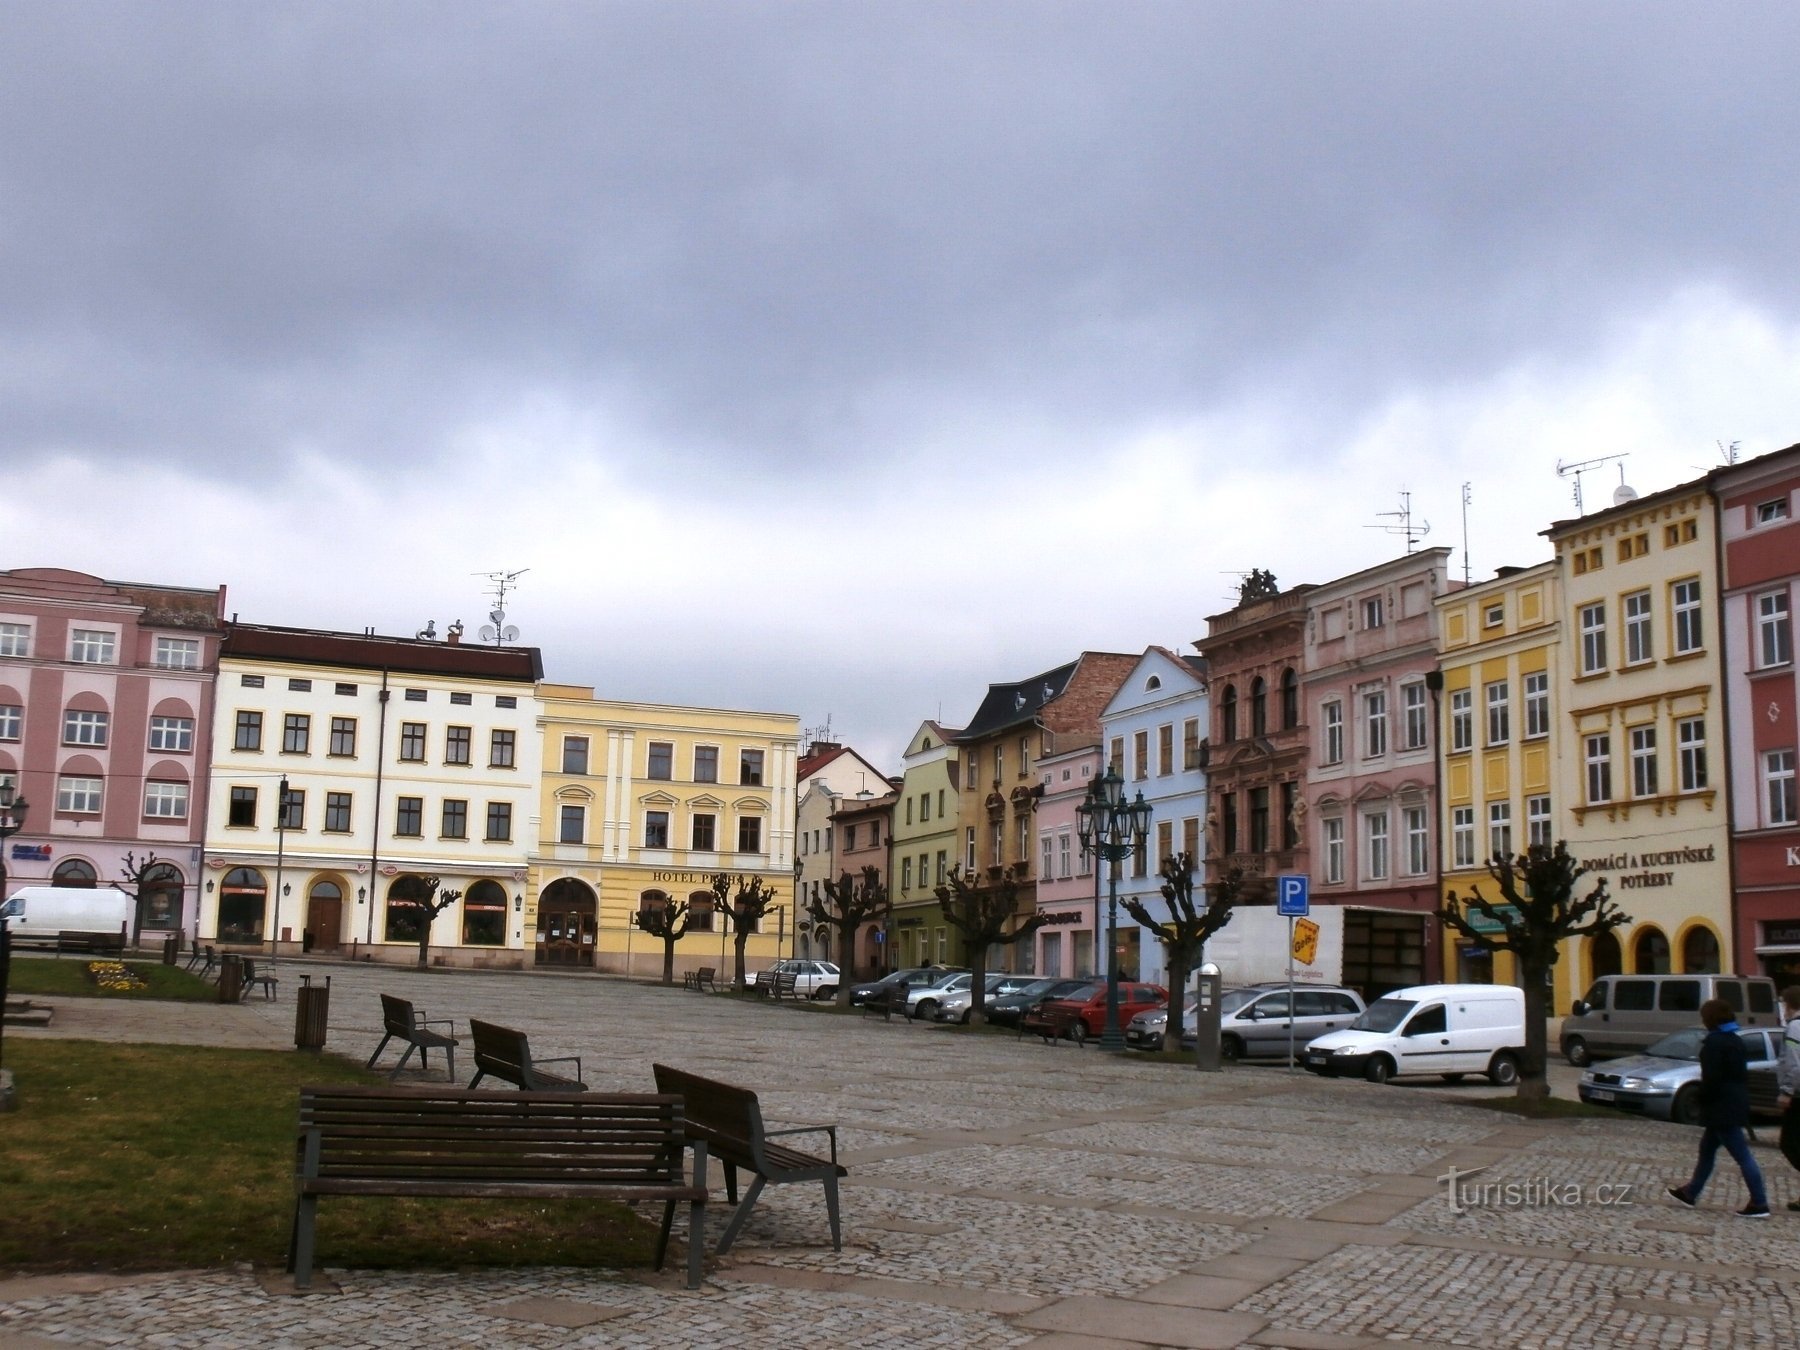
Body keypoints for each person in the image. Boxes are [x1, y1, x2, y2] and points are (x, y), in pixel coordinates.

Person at [1668, 997, 1770, 1218]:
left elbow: (1712, 1079)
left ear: (1709, 1020)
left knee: (1742, 1155)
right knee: (1706, 1150)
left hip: (1721, 1108)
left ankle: (1760, 1202)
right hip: (1735, 1102)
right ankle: (1690, 1192)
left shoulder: (1714, 1044)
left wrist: (1701, 1098)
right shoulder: (1735, 1040)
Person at [1776, 985, 1800, 1211]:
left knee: (1789, 1144)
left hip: (1799, 1095)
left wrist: (1787, 1091)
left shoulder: (1794, 1027)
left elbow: (1794, 1063)